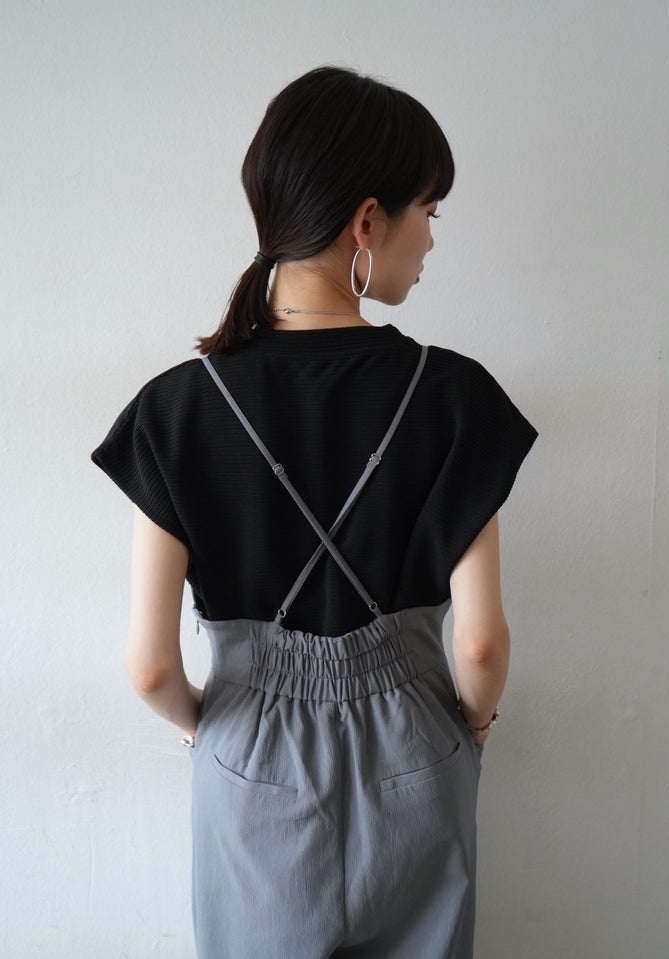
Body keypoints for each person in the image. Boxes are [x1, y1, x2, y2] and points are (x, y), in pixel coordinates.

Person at [92, 65, 537, 959]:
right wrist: (473, 729)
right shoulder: (454, 397)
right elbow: (483, 645)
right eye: (429, 210)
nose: (432, 238)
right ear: (367, 222)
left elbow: (150, 666)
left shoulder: (176, 409)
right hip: (418, 749)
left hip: (248, 760)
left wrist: (222, 725)